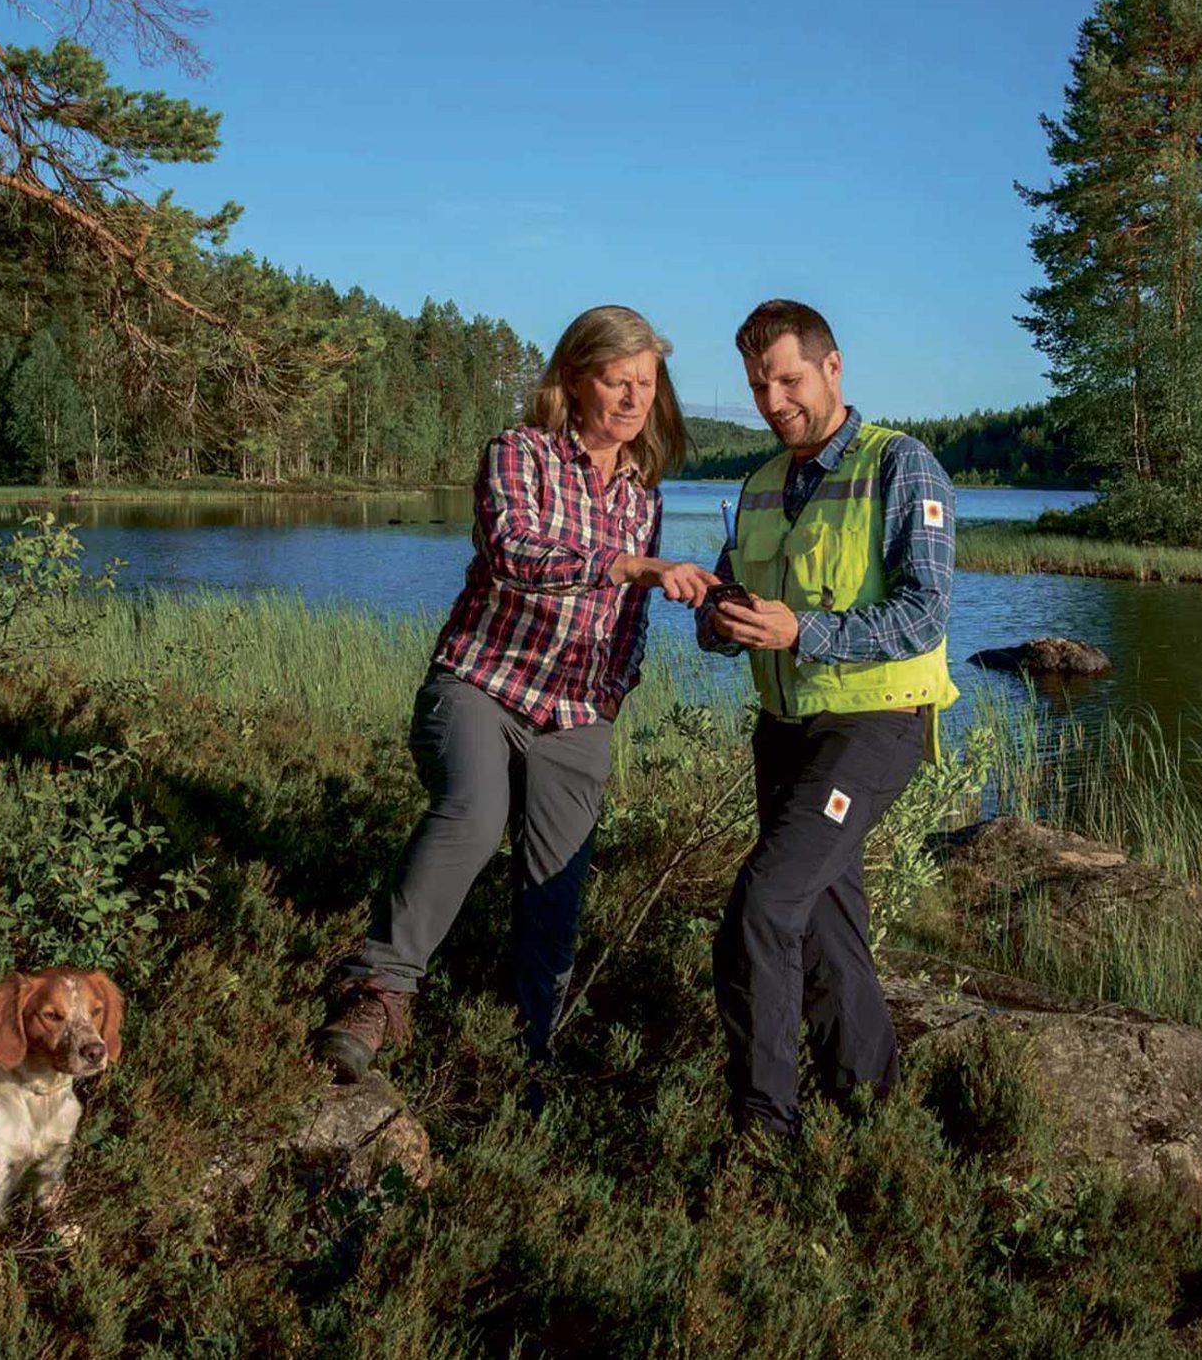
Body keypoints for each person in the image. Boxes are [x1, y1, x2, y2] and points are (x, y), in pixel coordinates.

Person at [313, 304, 717, 1084]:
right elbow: (514, 552)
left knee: (557, 883)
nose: (634, 399)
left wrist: (612, 694)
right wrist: (627, 565)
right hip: (480, 685)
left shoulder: (644, 493)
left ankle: (530, 1048)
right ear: (573, 377)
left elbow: (628, 622)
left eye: (646, 383)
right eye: (616, 380)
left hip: (576, 711)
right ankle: (378, 993)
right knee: (473, 811)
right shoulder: (518, 453)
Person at [697, 298, 959, 1139]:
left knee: (765, 906)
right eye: (758, 384)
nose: (773, 401)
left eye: (788, 378)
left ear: (833, 368)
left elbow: (926, 612)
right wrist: (721, 621)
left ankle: (765, 1132)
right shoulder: (759, 482)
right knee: (821, 922)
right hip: (784, 727)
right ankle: (874, 1119)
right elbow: (734, 609)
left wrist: (804, 630)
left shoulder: (901, 466)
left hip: (875, 723)